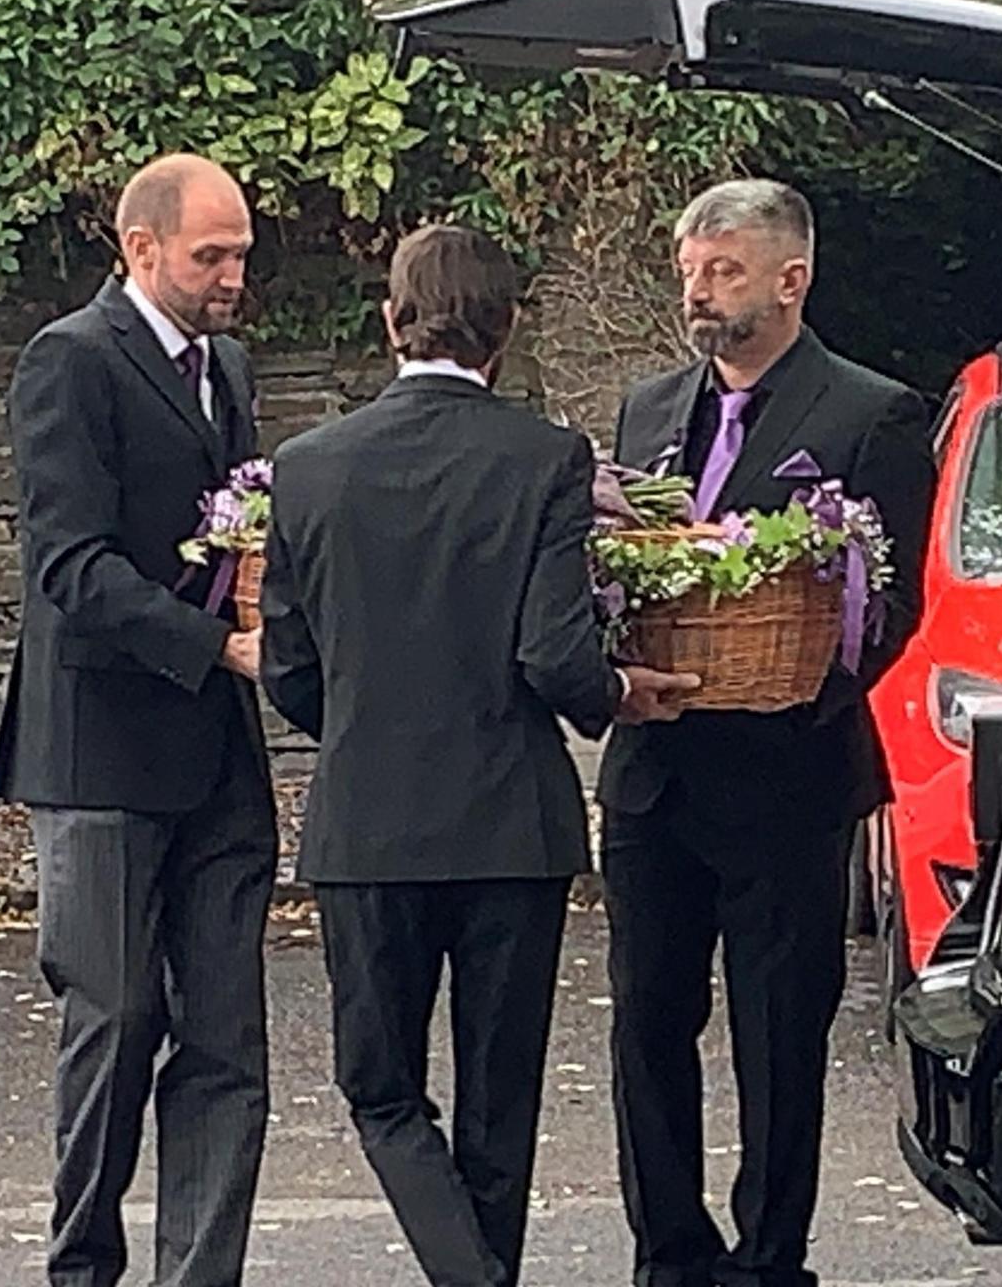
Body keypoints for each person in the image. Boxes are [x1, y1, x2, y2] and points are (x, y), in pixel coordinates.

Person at [256, 223, 697, 1287]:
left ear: (389, 321)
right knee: (503, 1102)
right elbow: (554, 655)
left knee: (380, 1088)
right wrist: (616, 694)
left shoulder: (308, 468)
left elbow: (285, 664)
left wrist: (368, 724)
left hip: (366, 824)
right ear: (506, 329)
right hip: (512, 820)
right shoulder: (544, 458)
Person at [599, 179, 937, 1287]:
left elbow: (893, 604)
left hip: (788, 774)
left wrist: (805, 673)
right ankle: (670, 1255)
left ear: (791, 279)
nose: (698, 292)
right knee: (648, 1023)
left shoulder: (869, 412)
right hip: (654, 771)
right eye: (691, 269)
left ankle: (768, 1258)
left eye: (724, 271)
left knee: (779, 1036)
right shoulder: (648, 410)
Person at [0, 152, 275, 1287]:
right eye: (212, 255)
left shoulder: (228, 369)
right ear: (140, 249)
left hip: (216, 758)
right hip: (100, 752)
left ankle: (200, 1274)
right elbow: (67, 566)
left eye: (241, 252)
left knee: (225, 1044)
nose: (233, 274)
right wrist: (214, 647)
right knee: (112, 1026)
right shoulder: (69, 361)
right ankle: (82, 1269)